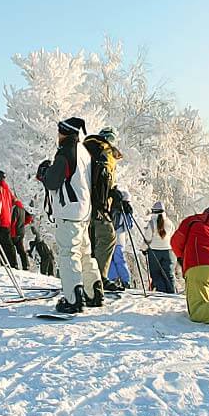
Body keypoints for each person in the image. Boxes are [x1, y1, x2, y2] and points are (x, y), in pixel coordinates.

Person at [39, 116, 103, 313]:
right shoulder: (84, 151)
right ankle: (94, 292)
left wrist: (44, 172)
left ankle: (73, 298)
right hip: (84, 211)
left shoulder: (66, 152)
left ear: (64, 132)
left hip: (69, 212)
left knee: (69, 254)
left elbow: (53, 182)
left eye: (59, 132)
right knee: (85, 252)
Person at [83, 126, 123, 294]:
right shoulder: (105, 152)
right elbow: (104, 180)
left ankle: (88, 278)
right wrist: (108, 199)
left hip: (83, 203)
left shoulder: (87, 151)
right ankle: (99, 279)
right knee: (108, 237)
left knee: (90, 242)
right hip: (97, 205)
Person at [142, 201, 177, 293]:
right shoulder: (170, 223)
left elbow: (147, 239)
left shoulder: (151, 224)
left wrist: (143, 249)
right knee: (169, 273)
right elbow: (173, 236)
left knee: (156, 273)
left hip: (154, 252)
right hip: (168, 251)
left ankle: (161, 292)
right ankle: (172, 291)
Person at [107, 190, 133, 289]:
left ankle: (113, 279)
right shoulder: (124, 211)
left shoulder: (112, 209)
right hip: (119, 239)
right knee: (120, 260)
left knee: (110, 260)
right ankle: (125, 280)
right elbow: (128, 226)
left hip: (110, 238)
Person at [11, 199, 32, 271]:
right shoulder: (22, 209)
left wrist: (12, 233)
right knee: (21, 250)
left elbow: (13, 221)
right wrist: (23, 224)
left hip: (15, 232)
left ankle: (14, 264)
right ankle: (26, 265)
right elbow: (29, 218)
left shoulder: (15, 209)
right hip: (21, 231)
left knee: (12, 249)